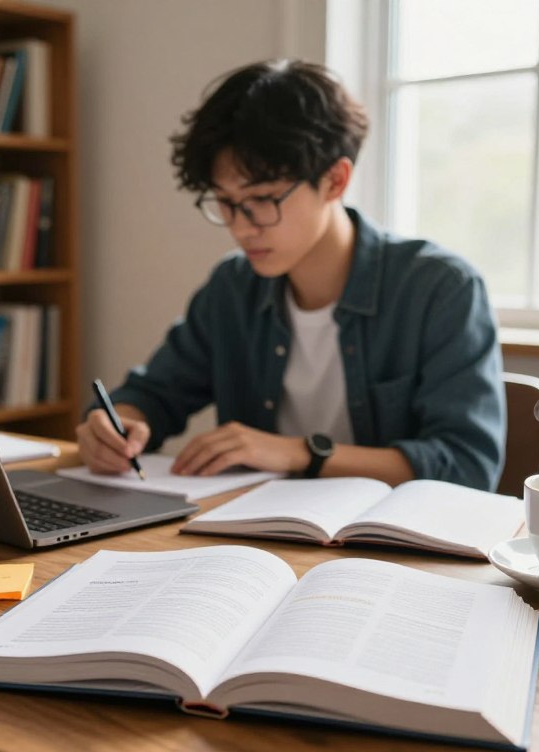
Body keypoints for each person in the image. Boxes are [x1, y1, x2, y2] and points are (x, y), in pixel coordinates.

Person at [77, 59, 505, 491]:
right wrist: (118, 424)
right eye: (225, 202)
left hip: (390, 549)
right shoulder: (233, 287)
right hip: (258, 539)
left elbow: (467, 466)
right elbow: (155, 394)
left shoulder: (440, 290)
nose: (241, 227)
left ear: (336, 180)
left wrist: (300, 451)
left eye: (262, 199)